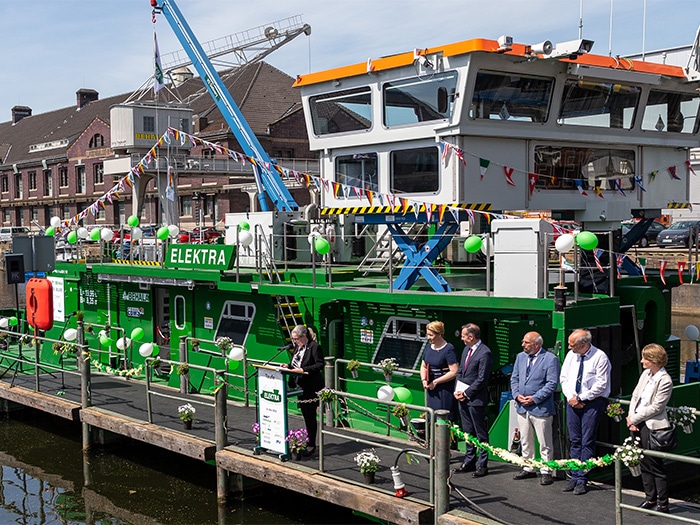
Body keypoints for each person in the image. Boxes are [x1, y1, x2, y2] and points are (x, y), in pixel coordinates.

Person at [559, 329, 611, 495]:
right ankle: (574, 475)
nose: (569, 347)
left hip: (592, 402)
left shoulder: (600, 357)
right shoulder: (570, 356)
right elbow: (564, 378)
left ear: (584, 344)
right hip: (572, 401)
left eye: (572, 344)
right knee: (574, 439)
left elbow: (601, 385)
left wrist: (581, 398)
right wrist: (571, 398)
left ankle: (582, 478)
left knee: (587, 440)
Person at [627, 343, 673, 514]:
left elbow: (656, 407)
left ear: (653, 360)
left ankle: (663, 503)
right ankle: (649, 497)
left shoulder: (665, 380)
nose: (641, 361)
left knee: (655, 464)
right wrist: (631, 417)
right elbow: (635, 395)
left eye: (645, 358)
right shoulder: (646, 374)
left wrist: (635, 418)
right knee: (643, 461)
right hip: (637, 422)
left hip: (652, 426)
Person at [510, 331, 560, 486]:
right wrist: (517, 395)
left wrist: (535, 398)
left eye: (526, 342)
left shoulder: (550, 359)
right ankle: (528, 466)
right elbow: (515, 378)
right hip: (522, 407)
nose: (523, 345)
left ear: (537, 344)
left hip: (540, 408)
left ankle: (546, 470)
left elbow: (552, 383)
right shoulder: (521, 357)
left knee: (544, 442)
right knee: (525, 439)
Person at [454, 323, 493, 477]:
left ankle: (482, 465)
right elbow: (461, 371)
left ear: (471, 337)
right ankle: (469, 460)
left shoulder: (485, 353)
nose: (462, 339)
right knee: (467, 431)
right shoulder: (466, 350)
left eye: (464, 336)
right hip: (462, 397)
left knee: (480, 432)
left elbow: (482, 379)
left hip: (475, 399)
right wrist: (458, 390)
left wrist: (467, 392)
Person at [283, 325, 324, 455]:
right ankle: (307, 441)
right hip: (300, 384)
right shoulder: (298, 347)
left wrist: (304, 370)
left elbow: (319, 364)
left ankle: (312, 445)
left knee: (310, 416)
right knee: (306, 415)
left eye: (296, 339)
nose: (294, 341)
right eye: (293, 339)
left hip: (311, 386)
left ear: (303, 336)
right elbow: (297, 364)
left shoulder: (314, 347)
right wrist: (287, 366)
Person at [420, 321, 459, 421]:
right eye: (427, 334)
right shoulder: (428, 347)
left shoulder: (449, 349)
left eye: (431, 335)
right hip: (431, 389)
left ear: (439, 334)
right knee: (431, 416)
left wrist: (436, 382)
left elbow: (454, 371)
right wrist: (424, 380)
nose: (428, 337)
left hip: (444, 390)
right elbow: (424, 366)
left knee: (443, 418)